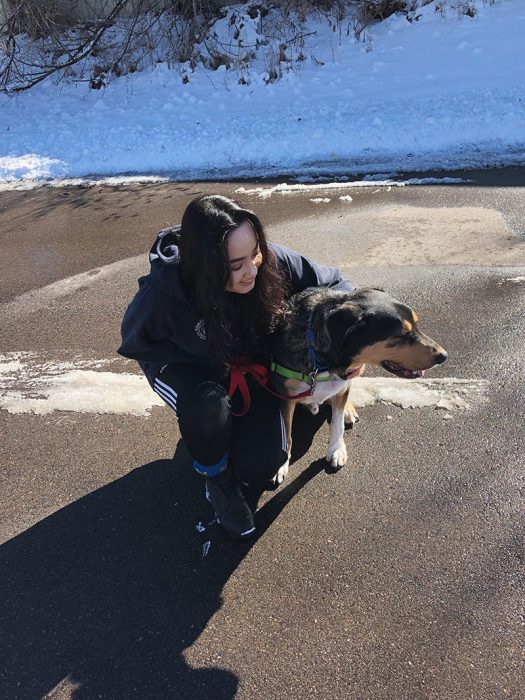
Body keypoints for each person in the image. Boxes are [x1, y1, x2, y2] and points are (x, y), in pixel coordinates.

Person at [118, 194, 353, 540]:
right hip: (196, 372)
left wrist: (347, 345)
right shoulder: (164, 295)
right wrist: (191, 375)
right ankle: (217, 479)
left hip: (251, 371)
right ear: (204, 266)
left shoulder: (268, 262)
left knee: (263, 465)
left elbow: (338, 287)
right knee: (206, 407)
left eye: (255, 252)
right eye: (236, 264)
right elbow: (138, 344)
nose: (253, 270)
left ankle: (232, 438)